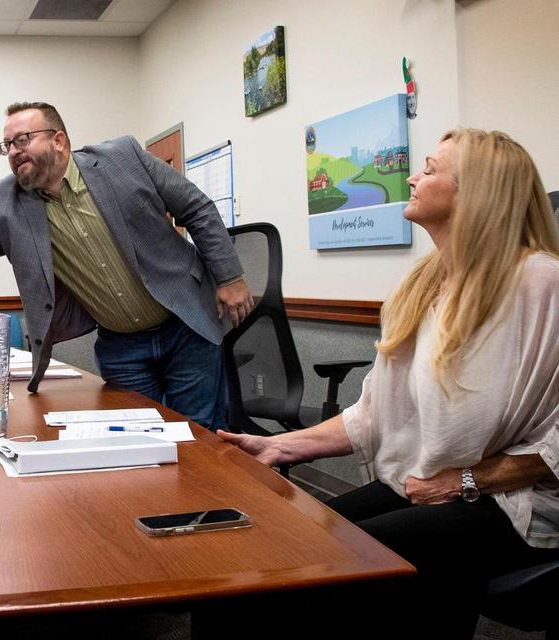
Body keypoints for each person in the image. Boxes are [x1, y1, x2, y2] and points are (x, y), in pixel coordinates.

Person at [218, 128, 559, 637]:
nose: (413, 177)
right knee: (292, 548)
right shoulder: (427, 283)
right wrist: (278, 447)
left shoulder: (541, 283)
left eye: (429, 168)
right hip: (428, 484)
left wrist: (467, 481)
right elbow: (375, 412)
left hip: (514, 502)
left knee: (320, 576)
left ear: (475, 193)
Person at [0, 102, 252, 428]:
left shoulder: (123, 158)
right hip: (122, 346)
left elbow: (196, 207)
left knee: (199, 434)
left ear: (59, 140)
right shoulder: (5, 202)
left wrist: (230, 276)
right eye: (7, 145)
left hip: (184, 323)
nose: (13, 151)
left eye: (23, 139)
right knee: (139, 440)